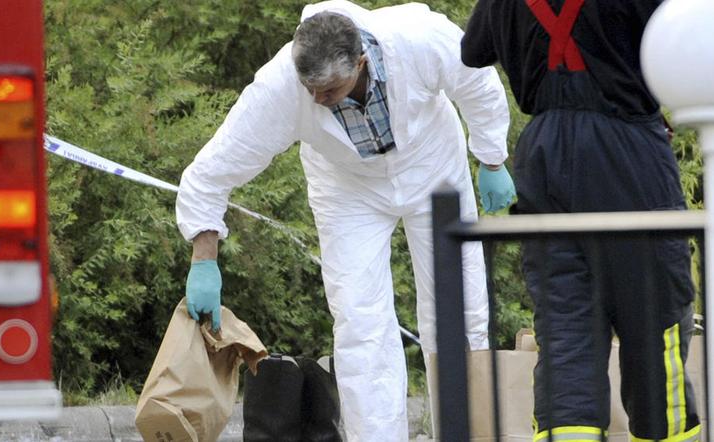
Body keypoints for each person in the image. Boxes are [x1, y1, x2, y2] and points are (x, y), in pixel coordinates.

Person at [177, 1, 514, 440]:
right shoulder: (282, 86)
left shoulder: (419, 37)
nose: (317, 99)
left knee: (460, 306)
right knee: (360, 321)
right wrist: (204, 259)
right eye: (310, 89)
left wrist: (491, 158)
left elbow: (477, 83)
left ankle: (470, 432)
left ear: (361, 62)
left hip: (433, 168)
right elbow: (212, 171)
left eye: (329, 90)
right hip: (346, 189)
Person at [461, 1, 700, 441]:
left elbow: (473, 50)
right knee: (652, 317)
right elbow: (688, 39)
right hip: (629, 151)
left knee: (565, 322)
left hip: (543, 155)